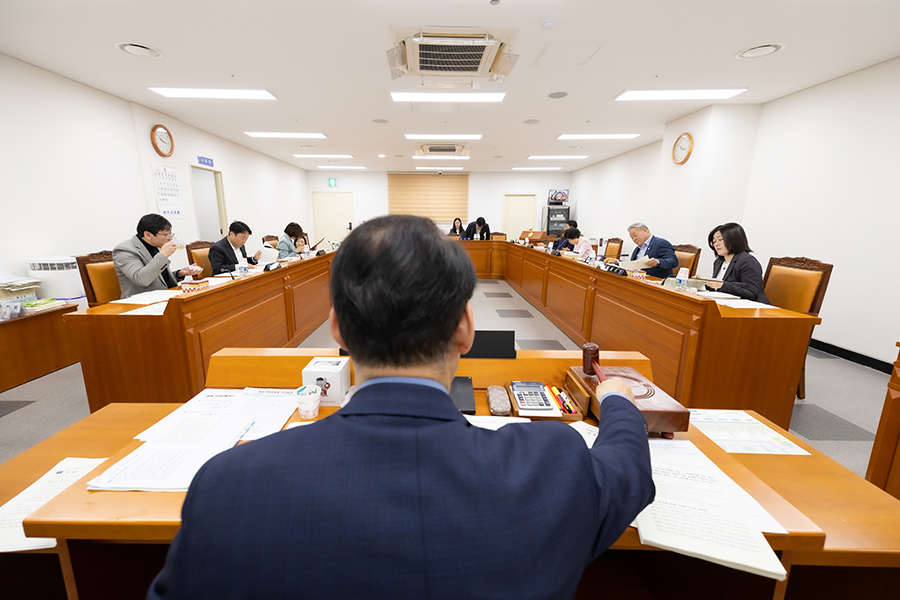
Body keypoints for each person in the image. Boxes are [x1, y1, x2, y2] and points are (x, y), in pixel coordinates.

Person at [147, 215, 654, 600]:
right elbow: (627, 472)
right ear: (465, 329)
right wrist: (616, 402)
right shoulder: (553, 463)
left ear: (337, 330)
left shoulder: (228, 485)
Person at [112, 214, 201, 298]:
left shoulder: (156, 245)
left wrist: (179, 273)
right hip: (142, 303)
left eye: (170, 234)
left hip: (167, 296)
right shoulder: (124, 250)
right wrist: (163, 255)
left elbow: (160, 280)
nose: (170, 238)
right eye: (165, 235)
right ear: (148, 235)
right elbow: (142, 279)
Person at [705, 222, 770, 303]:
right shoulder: (718, 262)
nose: (716, 244)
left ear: (734, 239)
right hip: (725, 305)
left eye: (720, 240)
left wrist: (723, 285)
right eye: (714, 241)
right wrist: (700, 284)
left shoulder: (748, 261)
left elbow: (751, 294)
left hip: (751, 309)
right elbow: (717, 289)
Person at [605, 222, 678, 279]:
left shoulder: (660, 243)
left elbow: (673, 261)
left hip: (654, 282)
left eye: (635, 235)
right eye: (632, 238)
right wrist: (618, 263)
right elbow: (633, 265)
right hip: (636, 280)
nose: (634, 239)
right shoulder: (637, 249)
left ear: (645, 230)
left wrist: (657, 262)